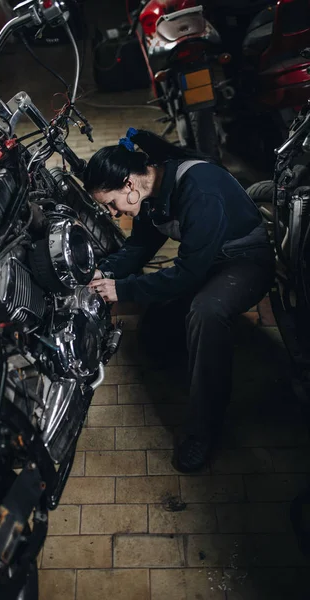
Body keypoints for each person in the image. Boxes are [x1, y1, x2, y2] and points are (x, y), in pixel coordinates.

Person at [84, 127, 275, 473]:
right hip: (207, 262)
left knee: (206, 311)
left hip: (245, 261)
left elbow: (188, 273)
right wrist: (99, 273)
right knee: (154, 336)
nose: (114, 213)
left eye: (111, 204)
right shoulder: (151, 194)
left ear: (128, 184)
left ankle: (203, 431)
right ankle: (201, 355)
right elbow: (139, 248)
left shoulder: (198, 189)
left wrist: (123, 290)